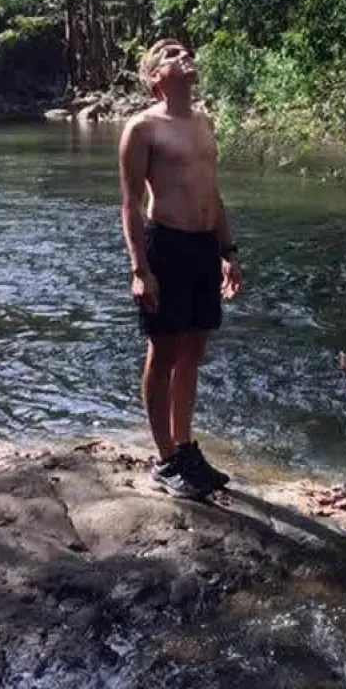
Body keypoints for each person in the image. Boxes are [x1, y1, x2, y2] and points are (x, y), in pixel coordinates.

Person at [119, 37, 242, 499]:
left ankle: (185, 448)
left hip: (205, 246)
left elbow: (214, 193)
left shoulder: (205, 122)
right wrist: (140, 269)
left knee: (193, 351)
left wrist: (229, 251)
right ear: (155, 78)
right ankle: (166, 458)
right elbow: (130, 205)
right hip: (166, 245)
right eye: (171, 54)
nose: (184, 55)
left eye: (186, 51)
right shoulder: (142, 128)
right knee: (164, 352)